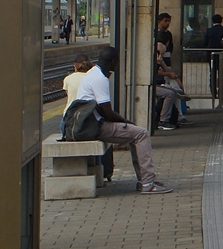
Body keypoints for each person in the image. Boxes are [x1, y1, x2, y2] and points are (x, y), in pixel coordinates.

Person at [76, 46, 171, 194]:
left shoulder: (92, 73)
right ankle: (147, 183)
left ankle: (144, 180)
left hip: (89, 123)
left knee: (135, 134)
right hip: (95, 126)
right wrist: (125, 121)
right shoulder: (99, 79)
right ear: (113, 61)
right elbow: (106, 112)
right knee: (141, 134)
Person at [154, 42, 191, 130]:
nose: (161, 56)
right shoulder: (150, 61)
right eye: (160, 53)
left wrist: (161, 62)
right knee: (170, 93)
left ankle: (176, 116)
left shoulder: (158, 60)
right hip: (153, 85)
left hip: (159, 84)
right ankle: (164, 120)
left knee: (173, 91)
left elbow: (168, 71)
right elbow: (156, 73)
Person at [60, 54, 91, 137]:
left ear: (75, 67)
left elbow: (69, 96)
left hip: (68, 118)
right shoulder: (92, 78)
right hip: (88, 117)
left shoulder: (68, 79)